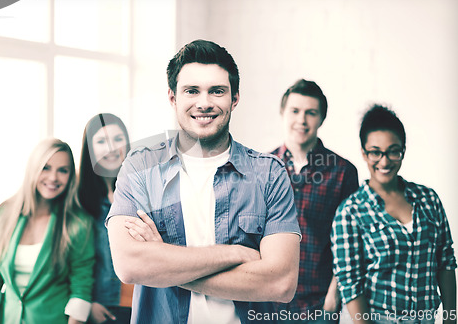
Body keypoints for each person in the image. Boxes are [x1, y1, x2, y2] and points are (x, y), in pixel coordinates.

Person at [106, 39, 301, 324]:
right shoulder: (140, 168)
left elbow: (280, 283)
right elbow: (130, 266)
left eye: (217, 91)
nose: (204, 102)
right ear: (173, 98)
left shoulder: (269, 175)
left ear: (234, 98)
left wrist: (164, 263)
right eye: (192, 91)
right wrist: (233, 254)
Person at [331, 105, 457, 324]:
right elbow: (351, 287)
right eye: (375, 152)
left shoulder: (429, 199)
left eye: (393, 151)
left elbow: (445, 262)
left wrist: (450, 318)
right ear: (364, 152)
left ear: (403, 151)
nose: (385, 161)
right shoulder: (350, 212)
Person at [0, 138, 95, 324]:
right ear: (33, 169)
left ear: (70, 176)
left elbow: (80, 291)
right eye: (46, 167)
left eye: (63, 170)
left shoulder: (78, 223)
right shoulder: (4, 214)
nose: (53, 178)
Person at [271, 79, 359, 322]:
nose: (302, 120)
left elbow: (350, 241)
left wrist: (334, 294)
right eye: (295, 111)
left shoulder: (342, 172)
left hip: (318, 302)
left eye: (311, 113)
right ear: (283, 113)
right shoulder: (263, 168)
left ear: (321, 119)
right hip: (268, 299)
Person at [78, 113, 133, 323]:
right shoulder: (78, 199)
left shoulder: (144, 190)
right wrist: (88, 303)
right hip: (102, 307)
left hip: (142, 301)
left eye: (118, 139)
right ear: (90, 149)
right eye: (101, 141)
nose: (111, 147)